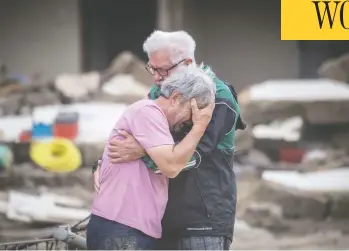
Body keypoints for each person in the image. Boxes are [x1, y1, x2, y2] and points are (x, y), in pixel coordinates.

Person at [93, 30, 246, 250]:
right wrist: (104, 161)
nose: (156, 77)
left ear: (188, 62)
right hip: (159, 221)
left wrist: (144, 151)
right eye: (152, 69)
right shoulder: (159, 93)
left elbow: (194, 156)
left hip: (202, 221)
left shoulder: (217, 98)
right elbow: (134, 132)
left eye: (163, 70)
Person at [87, 66, 216, 250]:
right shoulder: (148, 112)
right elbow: (171, 166)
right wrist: (200, 126)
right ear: (176, 98)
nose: (190, 121)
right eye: (191, 112)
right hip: (121, 227)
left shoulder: (156, 120)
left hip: (131, 228)